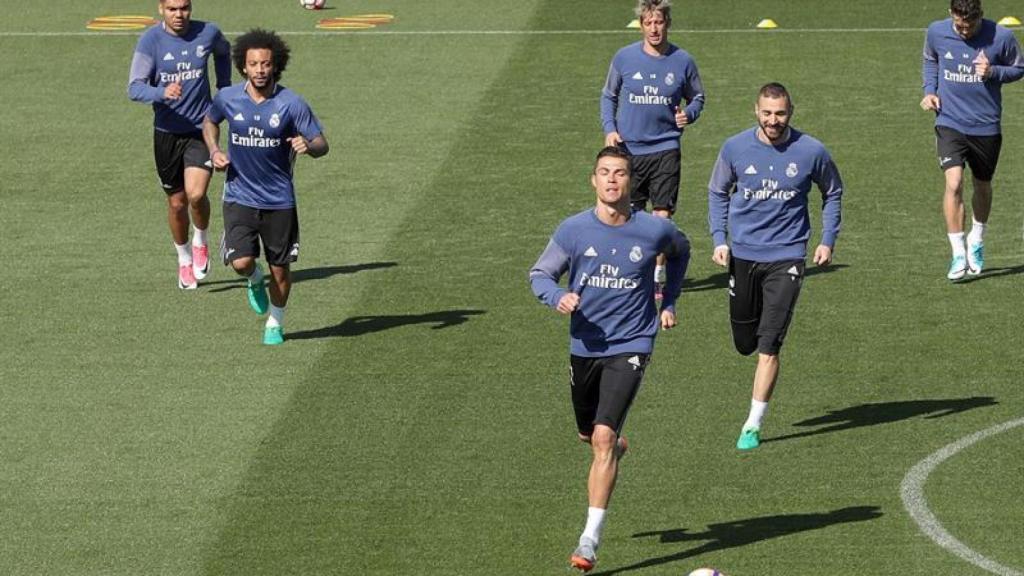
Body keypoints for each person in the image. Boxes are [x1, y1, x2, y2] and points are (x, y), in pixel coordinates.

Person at [530, 146, 690, 572]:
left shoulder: (653, 231)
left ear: (629, 180)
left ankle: (589, 540)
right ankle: (614, 444)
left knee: (600, 438)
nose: (613, 180)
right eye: (605, 173)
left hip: (632, 343)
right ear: (594, 180)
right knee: (590, 435)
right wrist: (557, 296)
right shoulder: (574, 230)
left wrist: (668, 300)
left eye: (620, 173)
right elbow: (539, 274)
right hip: (585, 346)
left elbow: (681, 252)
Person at [707, 83, 843, 451]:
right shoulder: (735, 148)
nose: (773, 120)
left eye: (780, 113)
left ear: (791, 111)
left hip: (787, 257)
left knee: (769, 344)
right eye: (767, 113)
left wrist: (827, 239)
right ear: (756, 111)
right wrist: (720, 238)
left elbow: (832, 191)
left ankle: (752, 423)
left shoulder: (811, 150)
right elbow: (718, 191)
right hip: (743, 255)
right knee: (745, 343)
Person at [202, 29, 329, 345]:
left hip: (279, 201)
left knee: (282, 273)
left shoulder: (291, 104)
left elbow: (322, 143)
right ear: (243, 66)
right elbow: (209, 122)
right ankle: (253, 278)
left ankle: (275, 320)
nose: (260, 70)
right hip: (239, 195)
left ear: (276, 66)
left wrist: (308, 146)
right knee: (242, 263)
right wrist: (215, 150)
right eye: (254, 64)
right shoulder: (228, 98)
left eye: (266, 64)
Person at [599, 0, 704, 297]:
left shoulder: (683, 60)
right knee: (629, 215)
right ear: (641, 25)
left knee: (661, 217)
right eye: (648, 23)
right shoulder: (624, 58)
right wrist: (610, 130)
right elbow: (609, 95)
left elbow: (698, 97)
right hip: (629, 150)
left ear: (667, 23)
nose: (654, 28)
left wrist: (690, 114)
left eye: (659, 22)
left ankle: (657, 276)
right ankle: (634, 269)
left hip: (666, 148)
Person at [128, 0, 231, 289]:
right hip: (166, 133)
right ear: (161, 8)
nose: (179, 14)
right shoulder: (151, 40)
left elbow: (224, 52)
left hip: (202, 129)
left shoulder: (208, 33)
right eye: (172, 8)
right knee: (176, 203)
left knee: (196, 195)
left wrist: (224, 86)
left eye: (184, 7)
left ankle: (201, 241)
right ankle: (184, 257)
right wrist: (162, 92)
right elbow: (134, 87)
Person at [920, 0, 1024, 280]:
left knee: (982, 184)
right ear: (951, 15)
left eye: (969, 26)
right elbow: (931, 60)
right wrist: (930, 90)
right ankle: (957, 253)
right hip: (949, 122)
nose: (963, 31)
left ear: (980, 17)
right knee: (953, 183)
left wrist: (993, 72)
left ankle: (976, 238)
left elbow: (1019, 67)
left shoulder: (1001, 36)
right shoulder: (936, 32)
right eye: (958, 25)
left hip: (986, 126)